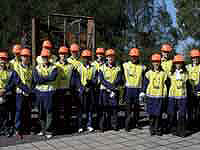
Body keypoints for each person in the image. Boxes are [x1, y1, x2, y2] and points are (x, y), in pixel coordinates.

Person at [0, 51, 29, 138]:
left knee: (8, 114)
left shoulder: (11, 72)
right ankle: (2, 129)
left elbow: (15, 82)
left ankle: (7, 129)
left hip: (8, 95)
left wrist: (4, 90)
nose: (2, 61)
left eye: (4, 59)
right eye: (1, 59)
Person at [33, 48, 58, 139]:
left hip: (49, 92)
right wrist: (46, 78)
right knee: (41, 112)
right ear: (41, 57)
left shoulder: (54, 67)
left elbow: (53, 77)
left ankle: (49, 130)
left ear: (49, 57)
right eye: (43, 57)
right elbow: (36, 79)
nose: (45, 59)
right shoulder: (37, 67)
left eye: (46, 57)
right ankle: (42, 129)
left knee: (49, 112)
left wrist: (42, 79)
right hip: (39, 92)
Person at [142, 53, 167, 136]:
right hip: (150, 97)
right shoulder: (148, 73)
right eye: (154, 62)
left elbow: (166, 85)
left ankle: (158, 129)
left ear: (160, 63)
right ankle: (152, 129)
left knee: (158, 114)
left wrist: (165, 95)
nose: (156, 63)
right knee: (151, 114)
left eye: (157, 62)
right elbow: (145, 84)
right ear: (152, 63)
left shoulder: (164, 74)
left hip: (160, 96)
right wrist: (143, 92)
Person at [123, 48, 146, 131]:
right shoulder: (125, 65)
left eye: (135, 56)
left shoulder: (142, 67)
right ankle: (127, 125)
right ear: (130, 56)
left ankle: (136, 123)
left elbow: (144, 79)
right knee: (128, 108)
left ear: (138, 57)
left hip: (137, 89)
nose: (134, 58)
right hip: (129, 89)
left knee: (137, 109)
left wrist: (143, 90)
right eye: (132, 56)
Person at [99, 49, 122, 131]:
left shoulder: (118, 68)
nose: (110, 58)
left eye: (112, 56)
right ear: (106, 58)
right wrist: (111, 87)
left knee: (114, 109)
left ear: (114, 57)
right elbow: (102, 80)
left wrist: (113, 89)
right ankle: (103, 126)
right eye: (109, 57)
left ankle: (114, 125)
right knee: (104, 109)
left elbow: (119, 79)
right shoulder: (102, 68)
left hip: (114, 91)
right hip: (104, 91)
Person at [75, 49, 97, 133]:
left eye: (87, 57)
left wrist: (91, 82)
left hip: (90, 90)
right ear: (82, 58)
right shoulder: (79, 68)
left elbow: (96, 79)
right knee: (80, 109)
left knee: (90, 109)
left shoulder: (94, 68)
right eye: (84, 57)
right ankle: (80, 126)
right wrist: (81, 87)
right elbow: (76, 79)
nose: (86, 59)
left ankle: (89, 125)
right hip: (81, 91)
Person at [167, 55, 189, 137]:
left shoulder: (186, 73)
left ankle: (182, 131)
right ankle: (173, 129)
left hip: (182, 96)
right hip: (172, 96)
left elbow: (187, 83)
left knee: (182, 114)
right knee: (172, 113)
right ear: (174, 64)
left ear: (182, 63)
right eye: (176, 63)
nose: (178, 64)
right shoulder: (170, 73)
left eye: (180, 63)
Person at [14, 48, 32, 138]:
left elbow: (32, 80)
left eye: (27, 56)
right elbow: (17, 81)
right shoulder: (17, 67)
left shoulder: (31, 68)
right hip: (20, 93)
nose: (26, 58)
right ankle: (17, 129)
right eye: (24, 56)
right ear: (21, 57)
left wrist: (30, 90)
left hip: (28, 93)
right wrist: (27, 90)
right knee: (19, 111)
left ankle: (27, 128)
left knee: (27, 111)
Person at [55, 46, 74, 131]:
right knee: (58, 109)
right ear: (59, 55)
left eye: (65, 54)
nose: (63, 55)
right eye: (61, 54)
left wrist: (70, 88)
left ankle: (67, 126)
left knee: (67, 109)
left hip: (67, 89)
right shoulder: (55, 65)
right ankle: (59, 126)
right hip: (58, 90)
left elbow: (73, 78)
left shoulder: (71, 66)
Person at [186, 49, 200, 129]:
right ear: (191, 58)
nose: (195, 59)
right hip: (190, 90)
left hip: (198, 89)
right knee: (190, 108)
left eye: (197, 57)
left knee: (198, 109)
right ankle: (190, 123)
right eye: (194, 58)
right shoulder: (187, 67)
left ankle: (197, 124)